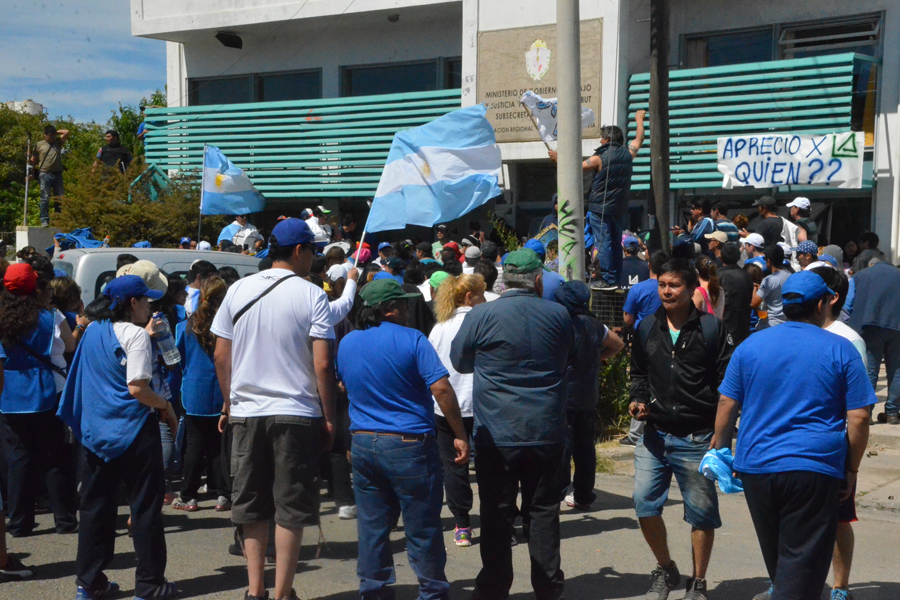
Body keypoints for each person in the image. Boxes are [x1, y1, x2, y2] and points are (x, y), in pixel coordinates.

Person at [714, 271, 874, 600]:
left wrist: (720, 450)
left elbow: (727, 402)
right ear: (821, 304)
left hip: (757, 468)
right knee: (802, 568)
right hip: (813, 470)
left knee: (781, 561)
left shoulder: (750, 346)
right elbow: (858, 416)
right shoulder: (841, 349)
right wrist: (852, 469)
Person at [212, 218, 336, 600]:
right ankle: (283, 592)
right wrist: (330, 416)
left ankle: (255, 590)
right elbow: (322, 364)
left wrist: (229, 400)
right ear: (299, 251)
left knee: (250, 504)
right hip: (296, 412)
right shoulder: (312, 294)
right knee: (290, 506)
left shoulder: (238, 289)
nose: (314, 257)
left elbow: (220, 354)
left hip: (247, 411)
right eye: (312, 250)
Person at [451, 248, 573, 600]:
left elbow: (460, 362)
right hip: (546, 430)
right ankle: (548, 588)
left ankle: (493, 588)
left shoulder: (481, 314)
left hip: (497, 433)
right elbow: (573, 356)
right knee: (543, 513)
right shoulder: (559, 314)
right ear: (537, 280)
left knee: (496, 513)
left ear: (504, 281)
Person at [337, 278, 469, 600]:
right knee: (422, 526)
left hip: (364, 442)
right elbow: (440, 388)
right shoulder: (413, 340)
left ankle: (374, 591)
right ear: (388, 310)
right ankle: (432, 592)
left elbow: (343, 385)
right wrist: (460, 434)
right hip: (409, 443)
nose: (409, 310)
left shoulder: (347, 342)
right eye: (404, 304)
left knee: (372, 528)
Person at [58, 275, 179, 600]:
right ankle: (150, 584)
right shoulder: (136, 336)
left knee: (96, 509)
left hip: (98, 434)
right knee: (145, 509)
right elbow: (138, 388)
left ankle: (89, 582)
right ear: (133, 303)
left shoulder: (93, 330)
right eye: (146, 300)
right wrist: (166, 406)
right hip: (135, 432)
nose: (150, 306)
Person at [629, 258, 733, 600]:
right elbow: (639, 374)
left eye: (674, 286)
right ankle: (666, 568)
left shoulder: (711, 328)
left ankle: (698, 583)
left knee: (701, 514)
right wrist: (638, 399)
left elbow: (727, 385)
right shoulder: (646, 326)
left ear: (691, 290)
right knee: (644, 503)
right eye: (662, 285)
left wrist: (722, 433)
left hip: (698, 436)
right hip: (655, 434)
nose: (666, 291)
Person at [0, 263, 79, 538]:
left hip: (9, 392)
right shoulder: (50, 315)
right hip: (46, 389)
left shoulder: (1, 316)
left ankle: (19, 522)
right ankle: (65, 520)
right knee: (54, 457)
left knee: (19, 458)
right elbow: (69, 346)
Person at [808, 265, 865, 600]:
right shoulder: (794, 331)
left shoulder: (849, 340)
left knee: (839, 519)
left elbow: (858, 409)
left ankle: (840, 587)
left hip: (834, 446)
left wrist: (851, 464)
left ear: (831, 298)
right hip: (796, 443)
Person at [548, 111, 646, 285]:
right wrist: (639, 120)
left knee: (604, 243)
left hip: (600, 209)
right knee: (616, 243)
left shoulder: (599, 158)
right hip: (619, 208)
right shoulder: (628, 154)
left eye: (601, 138)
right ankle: (615, 277)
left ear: (607, 139)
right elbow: (639, 139)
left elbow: (575, 167)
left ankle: (607, 279)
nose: (599, 141)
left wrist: (558, 158)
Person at [554, 281, 624, 509]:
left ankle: (557, 491)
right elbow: (617, 345)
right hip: (587, 393)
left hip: (563, 394)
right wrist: (596, 356)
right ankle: (584, 494)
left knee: (562, 446)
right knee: (585, 447)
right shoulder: (595, 325)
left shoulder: (561, 324)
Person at [428, 274, 485, 547]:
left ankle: (462, 524)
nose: (484, 300)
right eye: (482, 295)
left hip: (446, 407)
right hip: (483, 405)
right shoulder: (483, 322)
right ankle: (500, 520)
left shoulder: (439, 327)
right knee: (491, 466)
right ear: (468, 297)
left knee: (454, 466)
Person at [171, 276, 229, 512]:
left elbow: (178, 360)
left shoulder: (184, 326)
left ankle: (188, 495)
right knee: (220, 445)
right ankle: (222, 494)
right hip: (223, 390)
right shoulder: (227, 325)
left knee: (195, 444)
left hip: (194, 390)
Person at [847, 255, 900, 424]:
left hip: (870, 327)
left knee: (870, 370)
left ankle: (866, 414)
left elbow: (847, 306)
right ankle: (892, 413)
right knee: (897, 370)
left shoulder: (860, 276)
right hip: (897, 328)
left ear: (871, 264)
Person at [32, 124, 70, 227]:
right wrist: (31, 173)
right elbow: (33, 160)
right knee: (45, 197)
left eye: (53, 135)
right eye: (50, 135)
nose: (52, 137)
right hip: (45, 173)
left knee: (59, 197)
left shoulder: (57, 143)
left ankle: (59, 218)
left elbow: (66, 132)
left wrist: (55, 131)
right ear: (45, 135)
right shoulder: (39, 145)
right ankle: (44, 219)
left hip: (57, 174)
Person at [717, 242, 754, 346]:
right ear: (738, 258)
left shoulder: (717, 276)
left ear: (721, 258)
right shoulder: (746, 275)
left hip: (723, 327)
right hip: (743, 326)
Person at [623, 250, 667, 329]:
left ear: (649, 265)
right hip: (666, 333)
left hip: (643, 333)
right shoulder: (671, 289)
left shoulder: (636, 289)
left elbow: (628, 319)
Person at [751, 246, 790, 329]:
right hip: (786, 322)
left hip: (770, 324)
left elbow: (753, 303)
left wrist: (754, 287)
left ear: (769, 261)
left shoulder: (769, 280)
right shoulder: (790, 275)